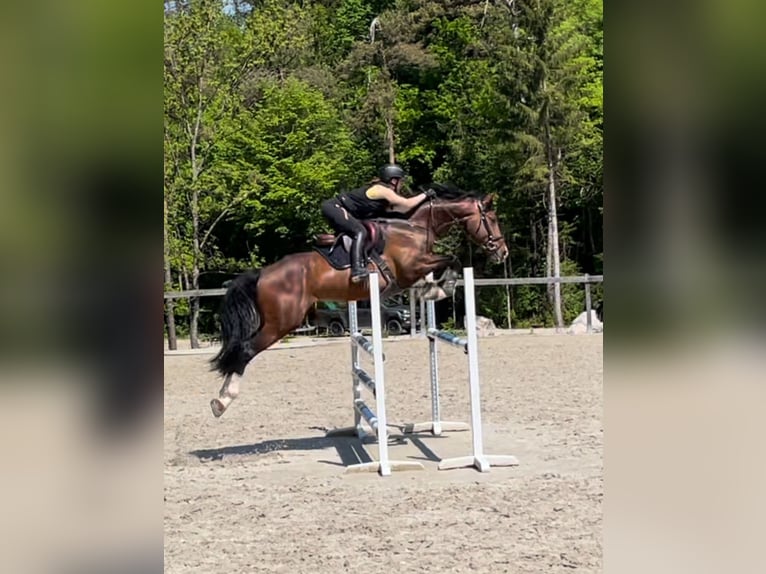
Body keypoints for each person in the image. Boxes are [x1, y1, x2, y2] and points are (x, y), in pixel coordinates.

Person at [321, 163, 435, 283]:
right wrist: (425, 195)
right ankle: (357, 270)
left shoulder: (383, 194)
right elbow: (406, 204)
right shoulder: (382, 190)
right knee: (359, 231)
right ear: (393, 180)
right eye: (400, 181)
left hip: (340, 210)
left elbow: (403, 210)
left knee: (360, 231)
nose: (401, 185)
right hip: (335, 207)